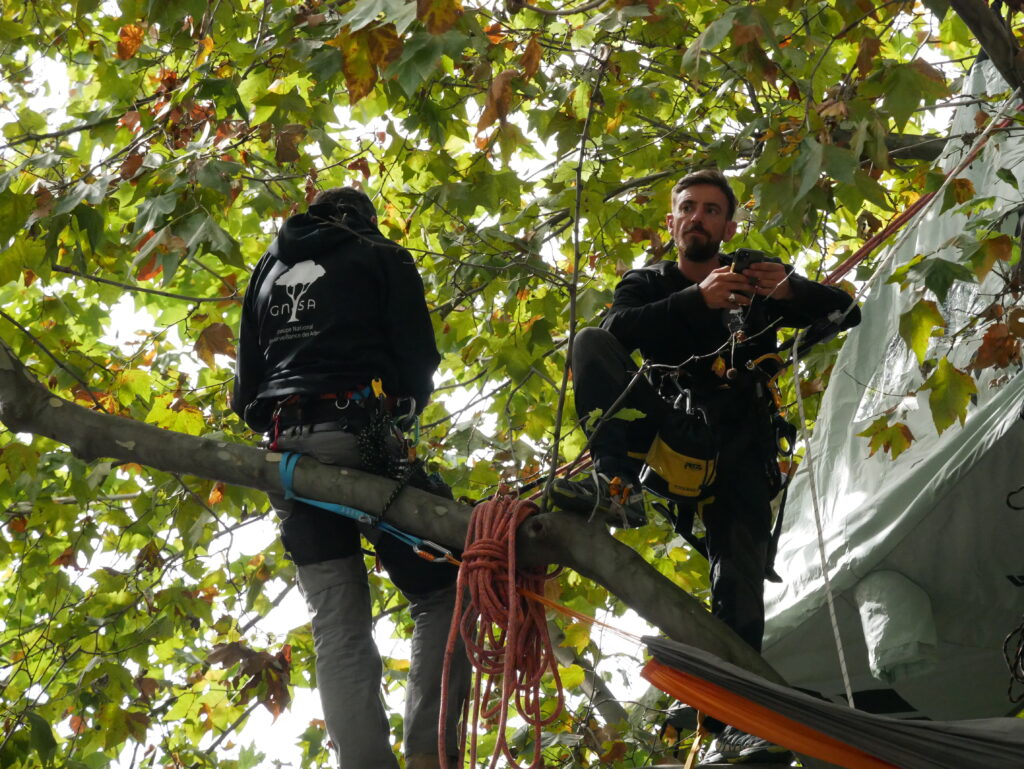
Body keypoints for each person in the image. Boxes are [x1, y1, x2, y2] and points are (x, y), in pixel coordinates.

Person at [549, 169, 860, 764]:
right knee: (589, 342)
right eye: (687, 208)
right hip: (671, 436)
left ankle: (737, 720)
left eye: (712, 210)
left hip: (740, 445)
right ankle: (613, 485)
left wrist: (794, 292)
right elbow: (615, 332)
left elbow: (847, 313)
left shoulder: (754, 275)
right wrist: (697, 300)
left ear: (728, 225)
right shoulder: (647, 284)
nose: (698, 218)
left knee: (738, 582)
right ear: (672, 223)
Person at [231, 187, 469, 769]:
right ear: (365, 217)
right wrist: (402, 409)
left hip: (289, 454)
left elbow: (244, 389)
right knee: (450, 588)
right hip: (361, 435)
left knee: (336, 616)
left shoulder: (268, 265)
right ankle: (430, 755)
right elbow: (417, 360)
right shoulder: (380, 253)